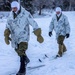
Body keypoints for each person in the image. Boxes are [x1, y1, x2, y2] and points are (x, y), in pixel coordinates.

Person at [4, 1, 44, 75]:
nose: (14, 9)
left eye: (15, 8)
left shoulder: (25, 14)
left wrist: (38, 34)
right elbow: (8, 26)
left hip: (23, 36)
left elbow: (33, 22)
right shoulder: (10, 15)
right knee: (18, 50)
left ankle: (22, 69)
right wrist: (6, 35)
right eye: (12, 8)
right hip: (15, 37)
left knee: (22, 50)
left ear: (18, 7)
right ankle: (26, 59)